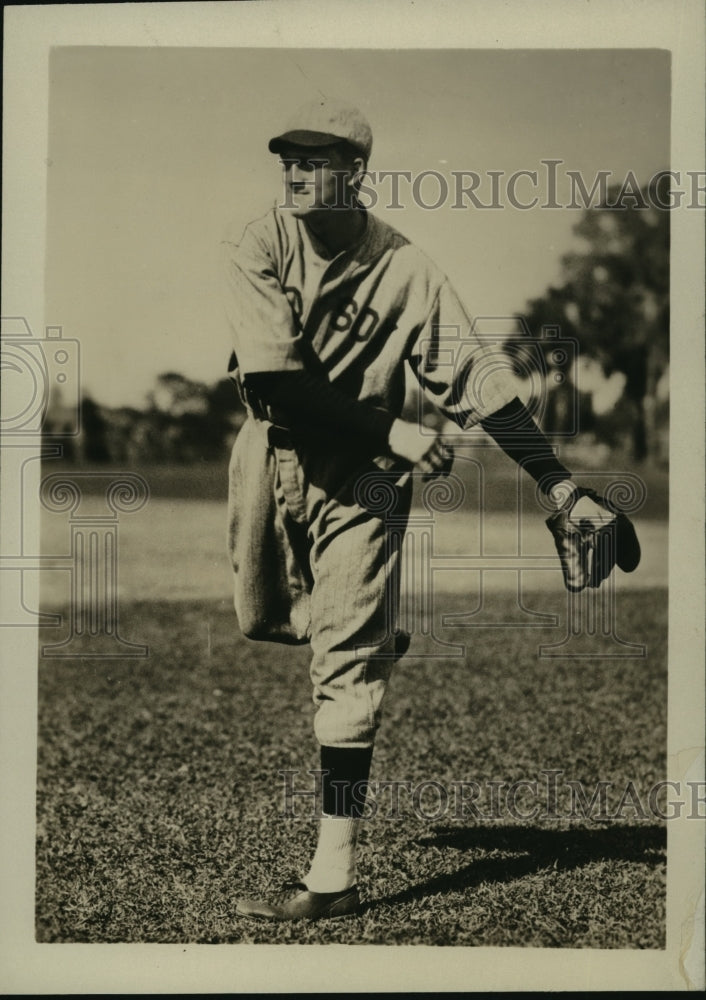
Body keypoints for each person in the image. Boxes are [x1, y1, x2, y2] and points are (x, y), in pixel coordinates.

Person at [220, 98, 611, 921]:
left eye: (315, 156)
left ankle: (333, 874)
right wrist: (399, 428)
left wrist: (560, 485)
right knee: (261, 616)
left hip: (365, 478)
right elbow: (271, 382)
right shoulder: (263, 240)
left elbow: (482, 387)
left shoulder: (408, 270)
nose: (293, 168)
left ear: (355, 170)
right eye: (286, 153)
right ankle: (366, 630)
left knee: (343, 668)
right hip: (272, 451)